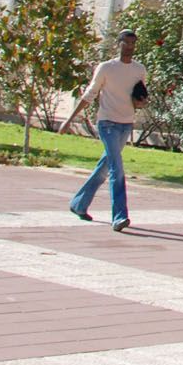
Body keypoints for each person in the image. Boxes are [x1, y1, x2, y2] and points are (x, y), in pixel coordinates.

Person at [57, 28, 148, 232]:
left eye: (133, 43)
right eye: (126, 42)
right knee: (117, 169)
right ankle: (119, 216)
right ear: (118, 43)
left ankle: (79, 204)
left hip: (125, 123)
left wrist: (140, 103)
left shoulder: (139, 69)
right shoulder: (106, 68)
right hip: (107, 123)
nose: (130, 46)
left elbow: (138, 96)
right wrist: (69, 120)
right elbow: (90, 94)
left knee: (105, 167)